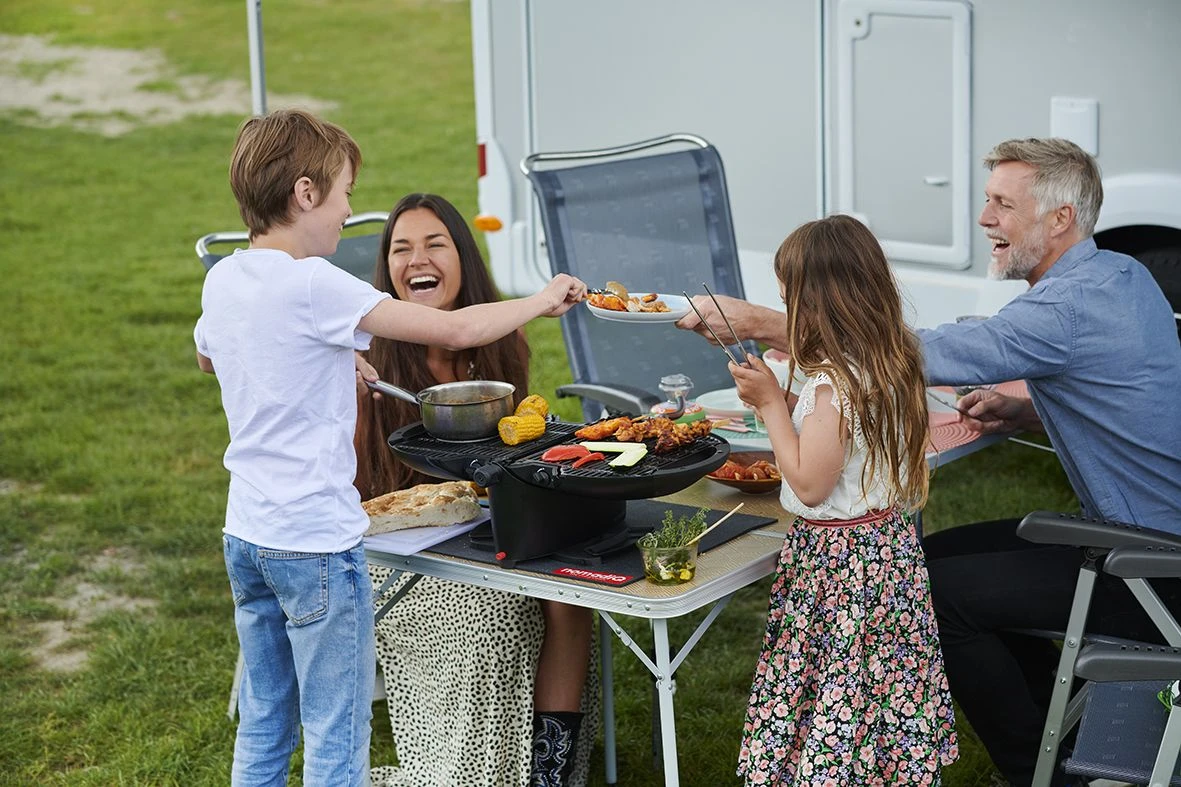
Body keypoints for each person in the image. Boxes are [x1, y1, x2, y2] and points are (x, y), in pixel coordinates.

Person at [679, 138, 1181, 786]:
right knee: (928, 563)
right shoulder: (1121, 274)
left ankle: (1044, 772)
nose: (983, 219)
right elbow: (1121, 389)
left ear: (1059, 219)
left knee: (930, 596)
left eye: (1002, 203)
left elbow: (926, 351)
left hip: (1151, 564)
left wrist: (781, 322)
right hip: (1139, 532)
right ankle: (1057, 739)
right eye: (986, 200)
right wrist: (1028, 410)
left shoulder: (1069, 305)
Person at [193, 109, 585, 785]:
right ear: (306, 193)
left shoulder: (225, 278)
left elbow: (212, 358)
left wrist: (317, 358)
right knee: (334, 731)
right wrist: (540, 299)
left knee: (266, 718)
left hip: (247, 536)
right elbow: (455, 329)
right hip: (315, 543)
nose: (349, 213)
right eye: (344, 193)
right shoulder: (315, 283)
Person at [354, 193, 596, 787]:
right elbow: (358, 490)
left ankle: (549, 776)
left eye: (435, 244)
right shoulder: (368, 355)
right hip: (402, 553)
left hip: (487, 530)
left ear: (461, 257)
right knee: (494, 616)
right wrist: (352, 407)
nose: (417, 259)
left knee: (571, 599)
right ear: (387, 270)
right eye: (401, 248)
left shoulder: (496, 347)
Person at [727, 214, 958, 785]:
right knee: (875, 686)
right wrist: (785, 398)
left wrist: (772, 407)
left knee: (837, 683)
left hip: (840, 566)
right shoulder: (890, 361)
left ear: (818, 303)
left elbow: (809, 483)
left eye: (789, 298)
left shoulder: (833, 385)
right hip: (884, 554)